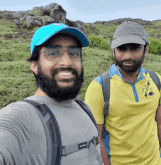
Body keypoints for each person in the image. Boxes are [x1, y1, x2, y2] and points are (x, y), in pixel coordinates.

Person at [0, 23, 103, 165]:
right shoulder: (19, 117)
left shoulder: (84, 107)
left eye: (74, 53)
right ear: (34, 65)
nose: (67, 62)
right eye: (53, 53)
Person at [85, 21, 161, 165]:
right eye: (121, 48)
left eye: (134, 48)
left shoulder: (156, 80)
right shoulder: (99, 87)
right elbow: (96, 139)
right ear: (113, 51)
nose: (128, 56)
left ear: (146, 50)